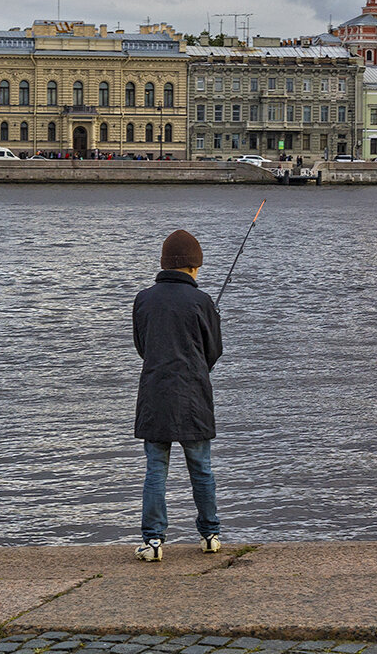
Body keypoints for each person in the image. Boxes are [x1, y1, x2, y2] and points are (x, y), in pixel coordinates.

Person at [132, 230, 224, 562]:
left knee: (156, 467)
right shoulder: (202, 302)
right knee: (201, 467)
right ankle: (210, 534)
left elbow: (142, 347)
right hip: (194, 395)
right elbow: (214, 351)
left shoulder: (144, 299)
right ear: (192, 267)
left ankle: (153, 541)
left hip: (155, 394)